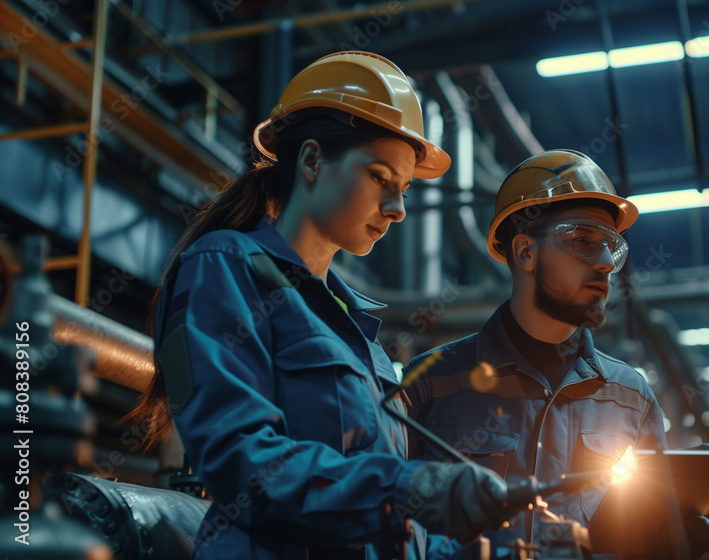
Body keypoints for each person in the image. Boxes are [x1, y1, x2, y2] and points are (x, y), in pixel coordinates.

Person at [130, 51, 510, 560]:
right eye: (379, 178)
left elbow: (386, 521)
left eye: (402, 189)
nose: (397, 210)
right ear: (311, 161)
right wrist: (407, 487)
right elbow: (241, 461)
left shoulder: (357, 333)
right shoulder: (224, 269)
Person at [404, 149, 709, 559]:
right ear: (525, 252)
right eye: (583, 242)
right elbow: (386, 527)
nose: (607, 263)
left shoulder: (630, 397)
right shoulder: (431, 385)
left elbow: (645, 531)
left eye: (612, 247)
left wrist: (669, 541)